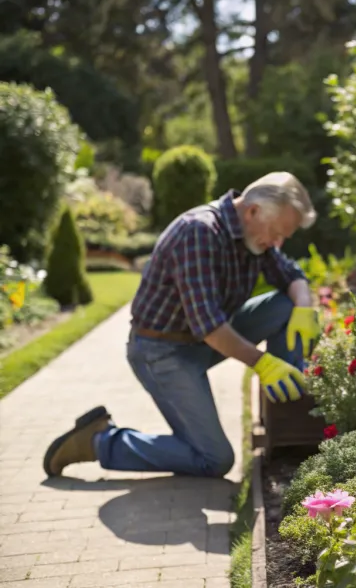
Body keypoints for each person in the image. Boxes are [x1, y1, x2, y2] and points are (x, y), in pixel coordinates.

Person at [43, 171, 322, 478]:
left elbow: (291, 274)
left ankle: (288, 419)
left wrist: (304, 309)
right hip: (162, 353)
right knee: (214, 459)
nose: (277, 243)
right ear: (253, 210)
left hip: (202, 341)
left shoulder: (255, 235)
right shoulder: (198, 232)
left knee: (286, 305)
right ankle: (99, 441)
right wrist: (263, 364)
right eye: (277, 233)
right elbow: (209, 326)